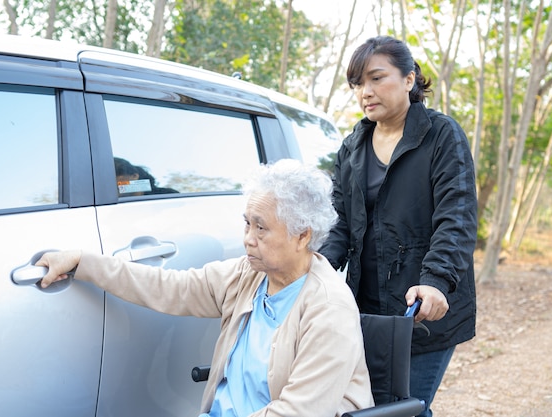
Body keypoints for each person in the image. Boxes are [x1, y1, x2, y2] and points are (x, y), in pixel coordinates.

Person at [37, 159, 374, 417]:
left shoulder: (329, 308)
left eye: (261, 228)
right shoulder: (249, 275)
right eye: (246, 223)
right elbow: (168, 287)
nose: (247, 238)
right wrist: (83, 262)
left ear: (303, 235)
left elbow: (298, 413)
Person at [319, 36, 477, 417]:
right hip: (365, 309)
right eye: (357, 84)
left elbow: (456, 216)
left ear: (409, 79)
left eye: (376, 78)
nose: (365, 92)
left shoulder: (441, 135)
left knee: (403, 409)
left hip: (422, 310)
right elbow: (339, 223)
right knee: (369, 407)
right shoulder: (352, 146)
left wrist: (437, 281)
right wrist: (313, 271)